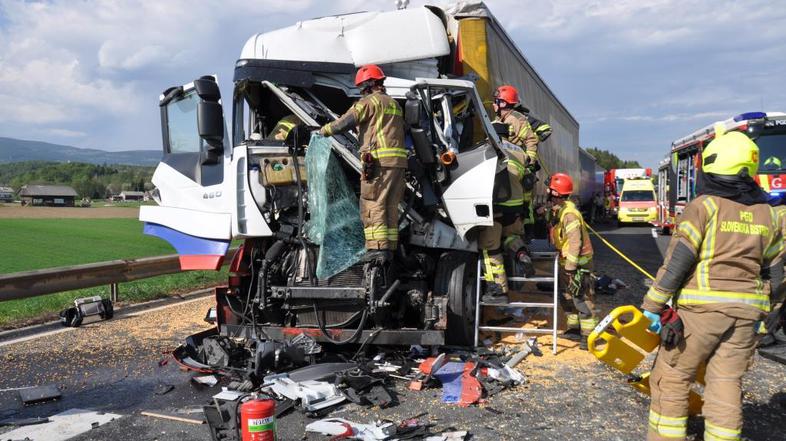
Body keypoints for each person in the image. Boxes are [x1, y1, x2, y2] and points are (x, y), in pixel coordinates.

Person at [641, 124, 784, 441]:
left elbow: (678, 261)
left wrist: (653, 306)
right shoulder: (770, 214)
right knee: (726, 383)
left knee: (672, 376)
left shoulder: (704, 207)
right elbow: (776, 271)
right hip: (748, 314)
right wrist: (770, 313)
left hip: (702, 312)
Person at [319, 65, 407, 262]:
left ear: (367, 85)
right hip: (398, 164)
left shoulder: (368, 102)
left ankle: (377, 249)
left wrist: (322, 131)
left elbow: (344, 123)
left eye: (361, 87)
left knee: (372, 204)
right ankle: (389, 248)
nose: (360, 91)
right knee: (390, 205)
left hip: (378, 163)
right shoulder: (394, 104)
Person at [546, 173, 597, 349]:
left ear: (557, 194)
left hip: (578, 263)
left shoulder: (570, 215)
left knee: (582, 298)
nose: (548, 193)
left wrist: (570, 267)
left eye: (551, 191)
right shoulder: (561, 210)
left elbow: (576, 242)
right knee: (567, 296)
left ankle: (588, 336)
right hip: (567, 261)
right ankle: (574, 329)